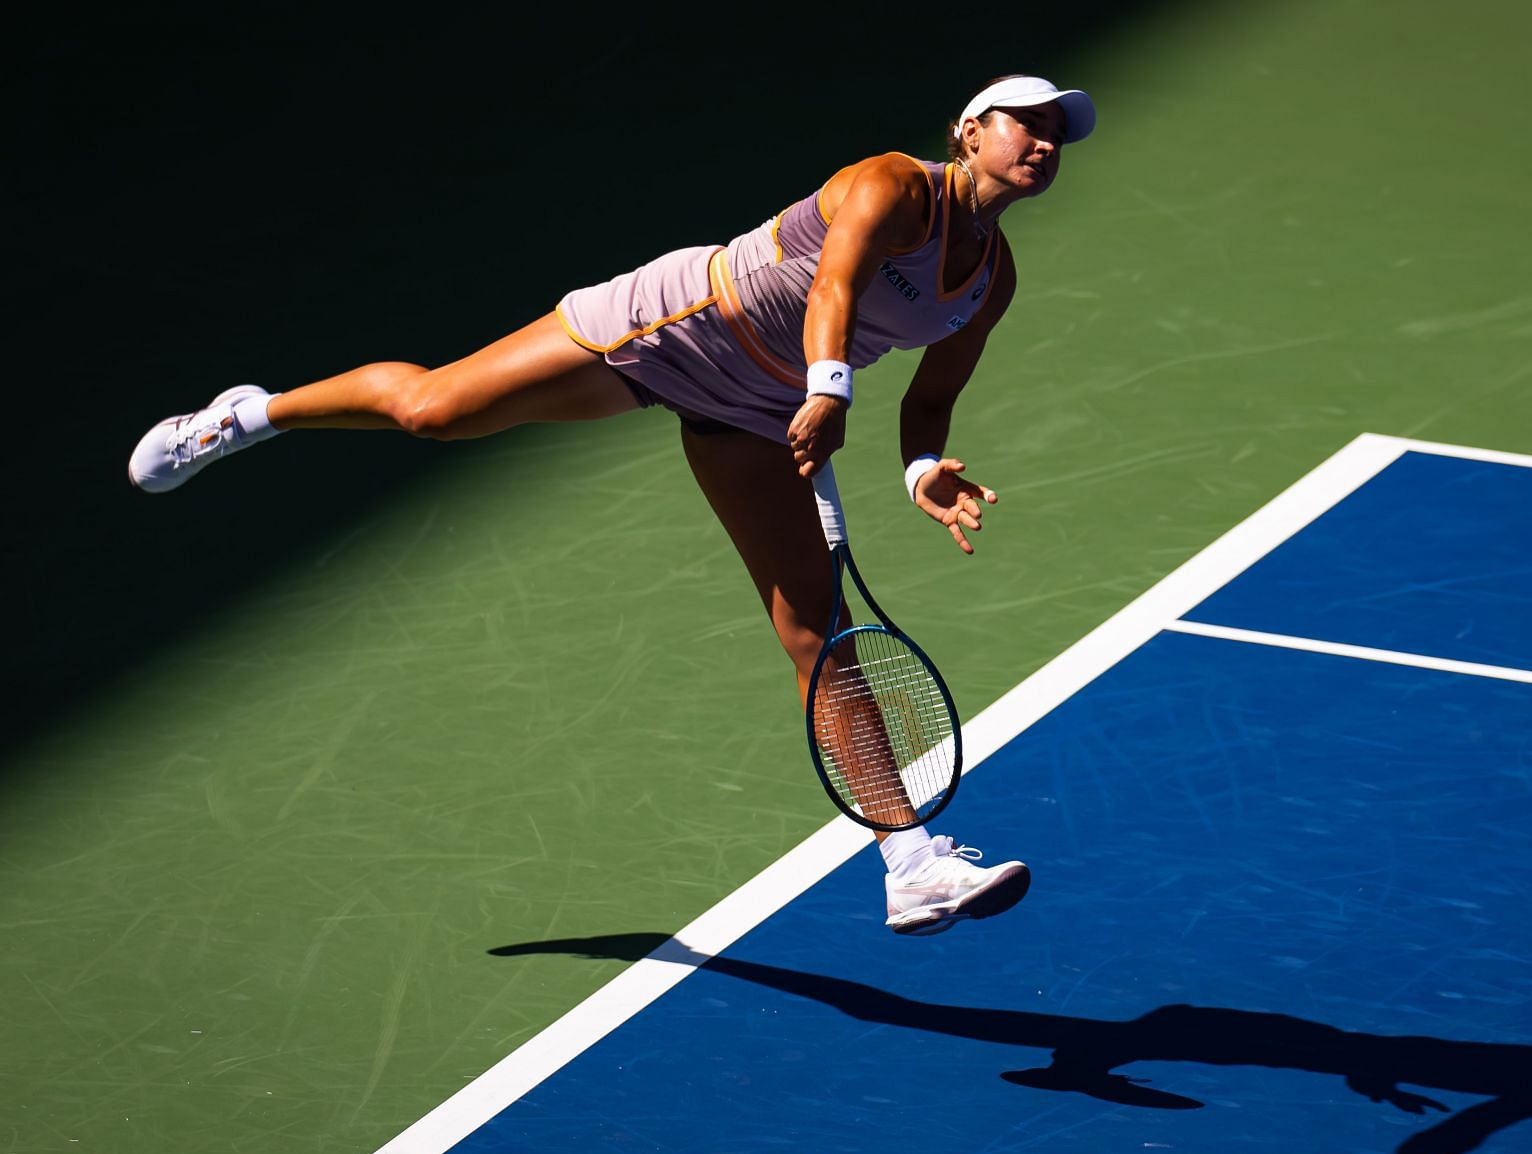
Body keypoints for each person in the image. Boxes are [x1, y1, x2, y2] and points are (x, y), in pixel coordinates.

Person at [126, 75, 1096, 937]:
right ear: (971, 130)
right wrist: (831, 386)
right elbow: (834, 281)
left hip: (762, 410)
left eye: (1059, 132)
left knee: (821, 636)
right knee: (432, 410)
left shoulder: (992, 281)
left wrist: (920, 466)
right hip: (675, 322)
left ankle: (911, 865)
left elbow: (930, 399)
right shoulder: (893, 183)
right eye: (1029, 122)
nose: (1045, 142)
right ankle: (251, 414)